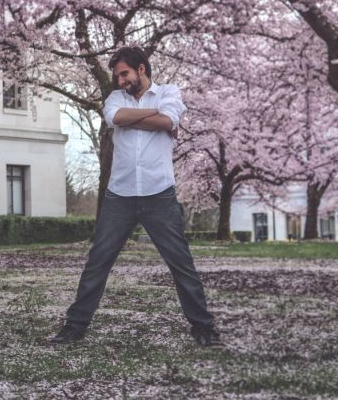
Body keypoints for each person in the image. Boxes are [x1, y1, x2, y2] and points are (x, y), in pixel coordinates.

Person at [51, 47, 223, 347]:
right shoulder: (116, 98)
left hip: (160, 193)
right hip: (120, 195)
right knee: (98, 262)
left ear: (141, 69)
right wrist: (154, 116)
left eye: (124, 73)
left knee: (181, 263)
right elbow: (117, 116)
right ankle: (74, 327)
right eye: (117, 75)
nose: (120, 80)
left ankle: (204, 329)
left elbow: (168, 121)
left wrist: (147, 119)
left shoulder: (169, 91)